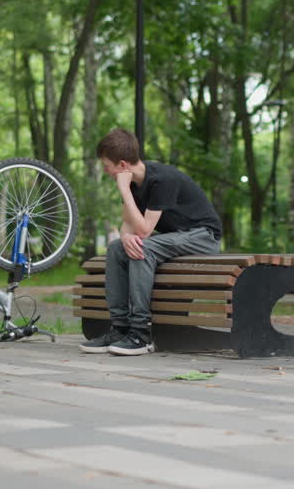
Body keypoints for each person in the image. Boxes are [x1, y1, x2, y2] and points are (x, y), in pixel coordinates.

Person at [80, 128, 222, 355]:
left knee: (142, 247)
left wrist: (124, 190)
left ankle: (140, 333)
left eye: (107, 165)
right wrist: (125, 237)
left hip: (203, 236)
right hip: (175, 237)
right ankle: (120, 328)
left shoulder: (162, 179)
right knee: (117, 248)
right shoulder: (133, 186)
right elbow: (128, 226)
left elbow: (144, 231)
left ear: (123, 165)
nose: (105, 170)